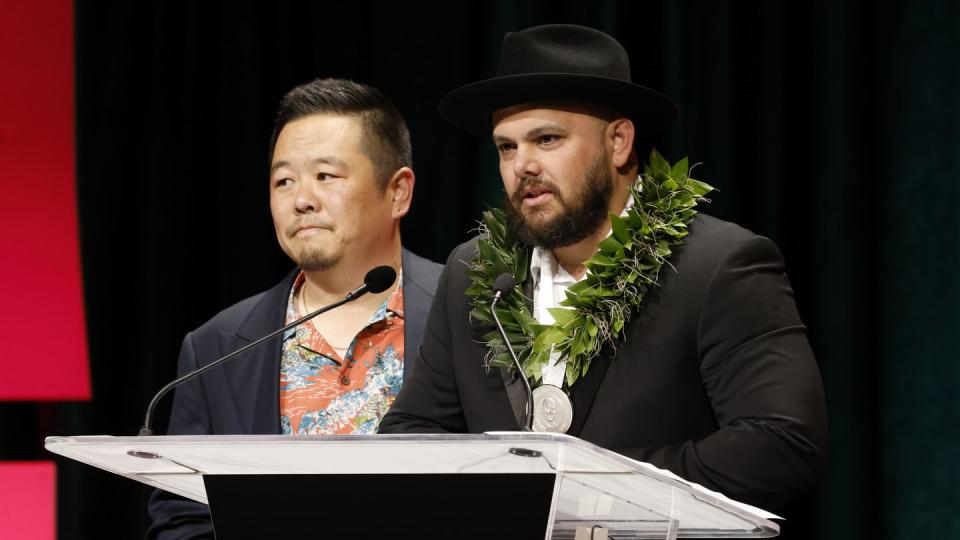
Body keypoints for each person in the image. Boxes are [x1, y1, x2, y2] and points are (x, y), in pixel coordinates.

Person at [379, 24, 828, 511]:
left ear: (618, 142)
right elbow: (412, 434)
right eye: (507, 147)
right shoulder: (474, 273)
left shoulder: (718, 265)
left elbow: (782, 444)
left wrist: (592, 485)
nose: (521, 165)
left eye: (547, 139)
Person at [147, 78, 442, 538]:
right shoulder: (216, 349)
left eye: (326, 176)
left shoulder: (473, 314)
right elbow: (183, 519)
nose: (302, 199)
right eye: (284, 181)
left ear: (398, 192)